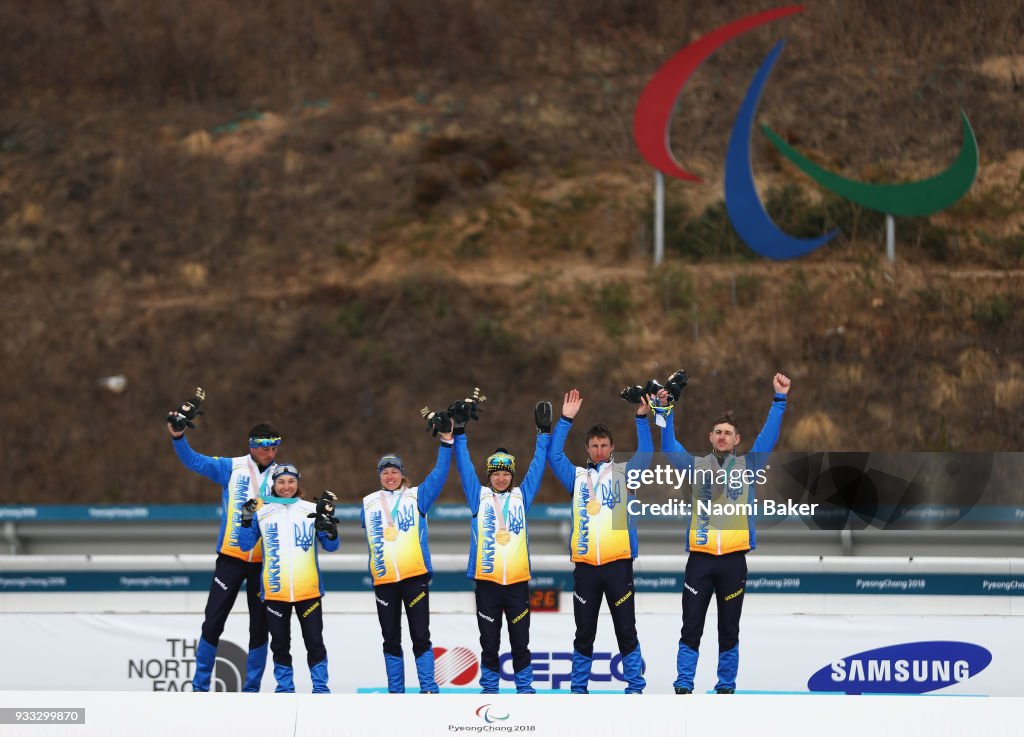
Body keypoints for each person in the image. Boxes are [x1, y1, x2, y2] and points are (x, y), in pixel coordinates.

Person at [661, 373, 791, 695]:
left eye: (728, 433)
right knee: (691, 626)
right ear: (710, 437)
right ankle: (683, 683)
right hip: (700, 562)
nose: (722, 437)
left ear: (737, 440)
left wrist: (779, 399)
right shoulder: (694, 466)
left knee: (728, 629)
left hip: (733, 562)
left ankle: (726, 685)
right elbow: (667, 445)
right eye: (718, 432)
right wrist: (665, 410)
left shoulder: (749, 466)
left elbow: (769, 438)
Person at [166, 389, 277, 693]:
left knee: (260, 626)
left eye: (274, 447)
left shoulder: (283, 477)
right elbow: (196, 462)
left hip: (265, 563)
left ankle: (252, 688)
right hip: (231, 557)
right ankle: (200, 686)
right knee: (213, 619)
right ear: (252, 447)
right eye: (264, 447)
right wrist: (178, 437)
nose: (270, 453)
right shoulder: (232, 467)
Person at [547, 388, 654, 694]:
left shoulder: (624, 473)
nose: (598, 450)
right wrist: (566, 419)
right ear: (587, 447)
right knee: (584, 632)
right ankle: (579, 689)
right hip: (585, 568)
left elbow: (645, 454)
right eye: (593, 445)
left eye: (603, 445)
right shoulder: (577, 477)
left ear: (612, 447)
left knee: (626, 630)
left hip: (618, 566)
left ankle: (635, 686)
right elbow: (554, 455)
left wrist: (641, 420)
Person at [453, 401, 552, 695]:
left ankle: (525, 689)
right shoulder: (478, 497)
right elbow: (464, 465)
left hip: (518, 584)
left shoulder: (523, 496)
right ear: (489, 476)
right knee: (489, 642)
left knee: (521, 641)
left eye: (506, 473)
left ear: (512, 475)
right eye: (496, 473)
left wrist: (543, 433)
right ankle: (490, 689)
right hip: (487, 584)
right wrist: (459, 432)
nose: (501, 477)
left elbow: (538, 464)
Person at [361, 416, 454, 694]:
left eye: (394, 471)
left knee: (420, 636)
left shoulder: (417, 497)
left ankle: (428, 687)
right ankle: (396, 691)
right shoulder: (368, 503)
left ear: (402, 474)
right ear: (379, 476)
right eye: (384, 472)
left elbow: (439, 474)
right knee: (390, 638)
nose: (389, 476)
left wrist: (446, 442)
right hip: (384, 582)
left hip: (414, 578)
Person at [237, 463, 339, 693]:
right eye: (281, 481)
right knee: (280, 645)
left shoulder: (310, 509)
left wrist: (330, 528)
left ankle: (321, 688)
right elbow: (244, 545)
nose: (286, 486)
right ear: (273, 484)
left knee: (314, 642)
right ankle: (285, 689)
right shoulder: (262, 511)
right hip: (275, 592)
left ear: (298, 483)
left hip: (308, 591)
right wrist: (245, 519)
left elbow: (332, 546)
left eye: (291, 481)